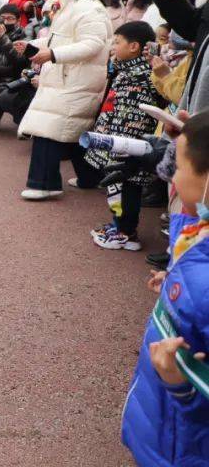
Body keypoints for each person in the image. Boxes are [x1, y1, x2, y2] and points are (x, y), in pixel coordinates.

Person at [120, 111, 209, 465]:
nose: (172, 175)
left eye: (180, 165)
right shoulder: (199, 235)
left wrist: (184, 388)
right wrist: (173, 280)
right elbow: (187, 244)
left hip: (184, 439)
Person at [16, 0, 112, 200]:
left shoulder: (90, 7)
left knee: (48, 128)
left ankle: (44, 184)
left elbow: (92, 45)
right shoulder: (71, 3)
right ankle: (89, 177)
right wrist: (33, 45)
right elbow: (59, 38)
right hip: (66, 75)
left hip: (75, 76)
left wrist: (53, 54)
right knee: (70, 127)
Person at [81, 21, 166, 251]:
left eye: (117, 42)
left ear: (134, 46)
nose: (113, 47)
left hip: (129, 142)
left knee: (127, 186)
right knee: (118, 186)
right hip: (118, 139)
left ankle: (127, 232)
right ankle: (120, 226)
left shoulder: (143, 74)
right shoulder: (129, 70)